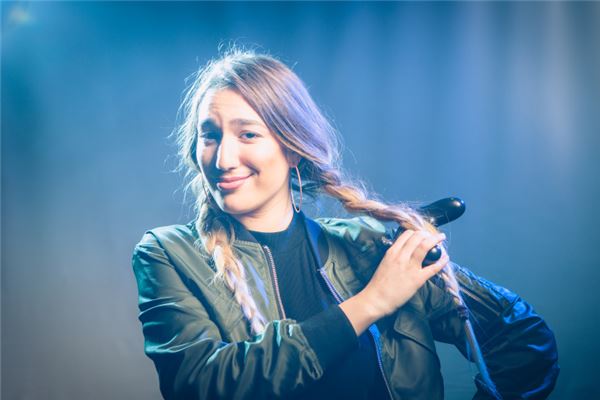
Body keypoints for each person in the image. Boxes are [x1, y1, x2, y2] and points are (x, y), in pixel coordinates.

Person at [131, 48, 559, 400]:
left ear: (292, 147)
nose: (223, 158)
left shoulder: (372, 249)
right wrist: (372, 301)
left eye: (247, 134)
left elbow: (522, 338)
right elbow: (200, 385)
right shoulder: (168, 254)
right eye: (210, 135)